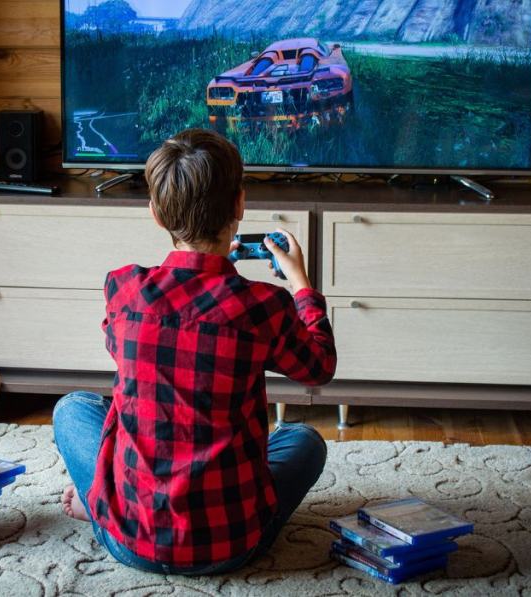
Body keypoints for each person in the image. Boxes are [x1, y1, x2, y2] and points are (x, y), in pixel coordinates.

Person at [53, 128, 336, 575]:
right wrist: (300, 283)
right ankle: (108, 502)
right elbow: (320, 367)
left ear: (157, 215)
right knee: (305, 442)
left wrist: (214, 278)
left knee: (72, 409)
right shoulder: (263, 305)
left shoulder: (124, 289)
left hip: (131, 541)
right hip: (232, 544)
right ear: (240, 205)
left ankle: (101, 503)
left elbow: (122, 345)